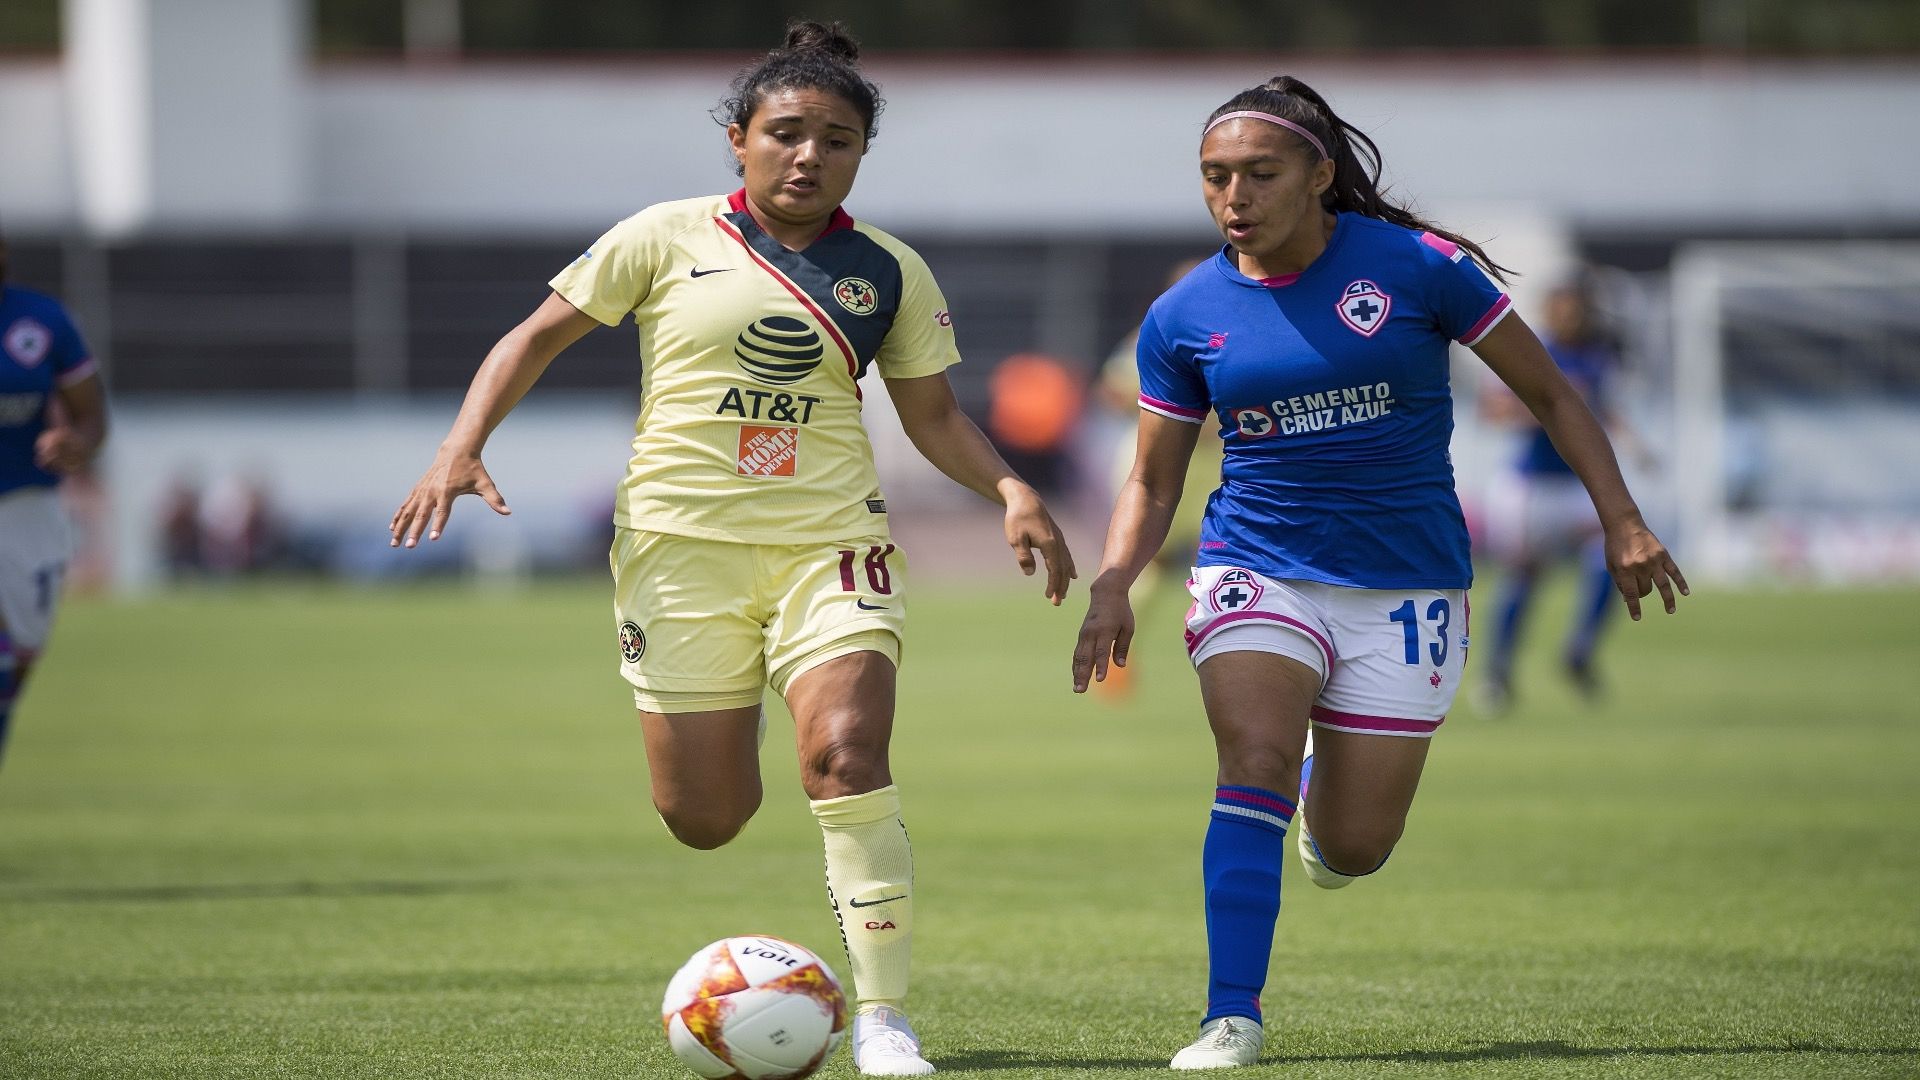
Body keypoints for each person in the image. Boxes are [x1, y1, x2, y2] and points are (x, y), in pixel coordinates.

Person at [389, 21, 1074, 1077]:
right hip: (676, 555)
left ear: (859, 155)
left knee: (845, 756)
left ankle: (886, 1020)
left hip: (829, 546)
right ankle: (739, 736)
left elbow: (934, 417)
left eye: (837, 140)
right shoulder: (660, 238)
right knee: (704, 819)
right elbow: (530, 339)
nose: (809, 155)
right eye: (788, 133)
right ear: (739, 138)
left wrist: (1013, 486)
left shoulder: (887, 270)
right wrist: (459, 446)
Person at [1069, 77, 1685, 1070]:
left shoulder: (1418, 268)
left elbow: (1553, 395)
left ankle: (1327, 800)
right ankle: (1231, 1014)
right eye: (1216, 177)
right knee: (1252, 760)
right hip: (1255, 568)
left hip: (1409, 584)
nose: (1235, 195)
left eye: (1260, 174)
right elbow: (1151, 474)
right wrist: (1111, 581)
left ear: (1319, 174)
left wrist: (1623, 521)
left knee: (1354, 847)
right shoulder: (1184, 315)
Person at [1477, 275, 1644, 712]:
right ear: (1550, 310)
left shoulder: (1597, 356)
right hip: (1529, 487)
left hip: (1577, 486)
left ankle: (1580, 647)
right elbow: (1492, 408)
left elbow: (1605, 409)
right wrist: (1543, 412)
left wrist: (1634, 444)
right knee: (1523, 577)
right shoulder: (1531, 349)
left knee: (1609, 557)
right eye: (1563, 307)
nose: (1571, 315)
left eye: (1578, 307)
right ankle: (1497, 672)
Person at [0, 235, 109, 766]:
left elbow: (93, 418)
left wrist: (76, 444)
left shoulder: (42, 322)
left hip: (28, 507)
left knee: (18, 661)